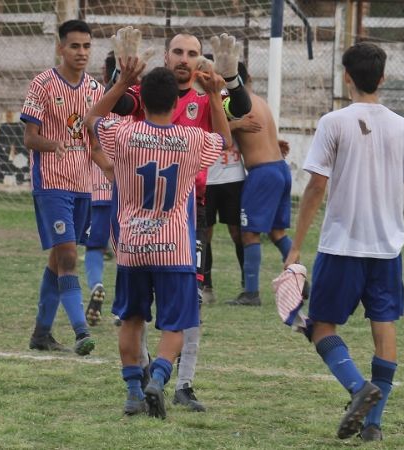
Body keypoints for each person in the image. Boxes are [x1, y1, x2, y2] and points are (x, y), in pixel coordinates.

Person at [284, 42, 404, 441]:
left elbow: (316, 186)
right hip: (387, 249)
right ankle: (374, 425)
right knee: (384, 327)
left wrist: (295, 246)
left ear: (346, 76)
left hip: (341, 247)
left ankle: (356, 387)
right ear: (382, 78)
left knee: (319, 326)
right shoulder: (403, 127)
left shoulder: (333, 122)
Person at [107, 28, 252, 412]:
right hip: (144, 211)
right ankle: (146, 378)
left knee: (190, 304)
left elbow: (240, 109)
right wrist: (120, 77)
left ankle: (182, 385)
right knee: (148, 309)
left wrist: (228, 81)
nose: (185, 59)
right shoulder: (147, 93)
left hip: (194, 211)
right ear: (166, 59)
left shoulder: (207, 97)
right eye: (178, 52)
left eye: (192, 53)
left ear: (199, 60)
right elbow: (118, 107)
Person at [86, 59, 230, 418]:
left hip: (132, 246)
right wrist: (213, 96)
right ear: (175, 102)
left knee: (132, 319)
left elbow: (90, 120)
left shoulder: (123, 134)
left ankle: (133, 393)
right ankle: (160, 376)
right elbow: (224, 140)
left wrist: (120, 85)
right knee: (176, 323)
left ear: (143, 100)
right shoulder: (191, 139)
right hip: (174, 246)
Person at [21, 20, 102, 355]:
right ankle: (81, 332)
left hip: (83, 186)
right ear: (60, 47)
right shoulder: (42, 84)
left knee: (58, 259)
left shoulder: (95, 90)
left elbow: (95, 144)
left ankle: (41, 335)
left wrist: (112, 170)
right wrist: (50, 144)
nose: (81, 52)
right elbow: (29, 138)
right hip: (52, 183)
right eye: (74, 46)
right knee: (69, 256)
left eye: (86, 46)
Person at [225, 62, 293, 307]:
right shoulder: (260, 101)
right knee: (277, 232)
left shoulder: (235, 105)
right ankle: (300, 278)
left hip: (262, 173)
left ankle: (251, 292)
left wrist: (234, 124)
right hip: (280, 169)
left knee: (250, 233)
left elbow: (218, 131)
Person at [201, 55, 258, 304]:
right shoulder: (197, 99)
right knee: (205, 234)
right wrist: (237, 125)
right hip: (208, 179)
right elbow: (214, 130)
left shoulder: (228, 98)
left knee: (238, 232)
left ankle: (248, 284)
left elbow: (243, 119)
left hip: (234, 177)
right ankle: (207, 286)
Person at [83, 52, 121, 326]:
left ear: (104, 74)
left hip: (96, 187)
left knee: (94, 247)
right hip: (126, 188)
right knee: (126, 251)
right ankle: (123, 307)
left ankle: (96, 284)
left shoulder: (93, 100)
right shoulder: (135, 104)